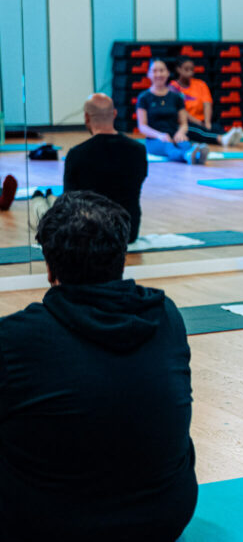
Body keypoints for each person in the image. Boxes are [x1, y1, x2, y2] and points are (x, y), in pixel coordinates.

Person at [0, 191, 197, 541]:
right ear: (122, 257)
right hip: (165, 518)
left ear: (49, 267)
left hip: (48, 528)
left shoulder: (16, 337)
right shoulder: (166, 315)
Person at [58, 94, 148, 242]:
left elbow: (68, 199)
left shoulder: (77, 154)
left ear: (86, 117)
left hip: (88, 232)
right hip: (127, 231)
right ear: (114, 114)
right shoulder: (138, 150)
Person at [137, 58, 209, 164]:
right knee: (168, 146)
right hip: (155, 140)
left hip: (175, 136)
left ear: (167, 73)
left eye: (162, 70)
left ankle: (197, 156)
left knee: (184, 144)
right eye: (155, 71)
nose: (159, 74)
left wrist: (180, 133)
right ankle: (188, 156)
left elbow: (184, 123)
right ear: (149, 74)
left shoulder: (176, 97)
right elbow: (142, 126)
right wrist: (159, 135)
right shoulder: (144, 97)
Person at [170, 56, 243, 147]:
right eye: (186, 69)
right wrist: (197, 122)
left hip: (202, 121)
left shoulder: (201, 84)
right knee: (197, 130)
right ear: (178, 69)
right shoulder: (173, 87)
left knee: (215, 127)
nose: (190, 72)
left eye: (192, 69)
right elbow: (181, 110)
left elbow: (207, 104)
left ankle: (227, 137)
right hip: (185, 123)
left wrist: (207, 122)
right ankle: (220, 139)